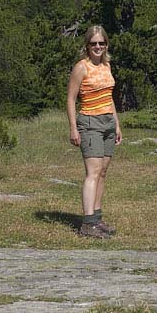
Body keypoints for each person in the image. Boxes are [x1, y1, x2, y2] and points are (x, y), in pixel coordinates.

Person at [67, 25, 122, 238]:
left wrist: (116, 124)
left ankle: (97, 220)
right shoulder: (81, 67)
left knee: (103, 173)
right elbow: (71, 99)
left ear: (106, 44)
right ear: (87, 46)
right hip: (89, 122)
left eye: (101, 43)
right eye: (93, 43)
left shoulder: (106, 65)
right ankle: (87, 224)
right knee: (92, 172)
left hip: (108, 122)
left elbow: (109, 98)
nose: (97, 47)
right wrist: (73, 127)